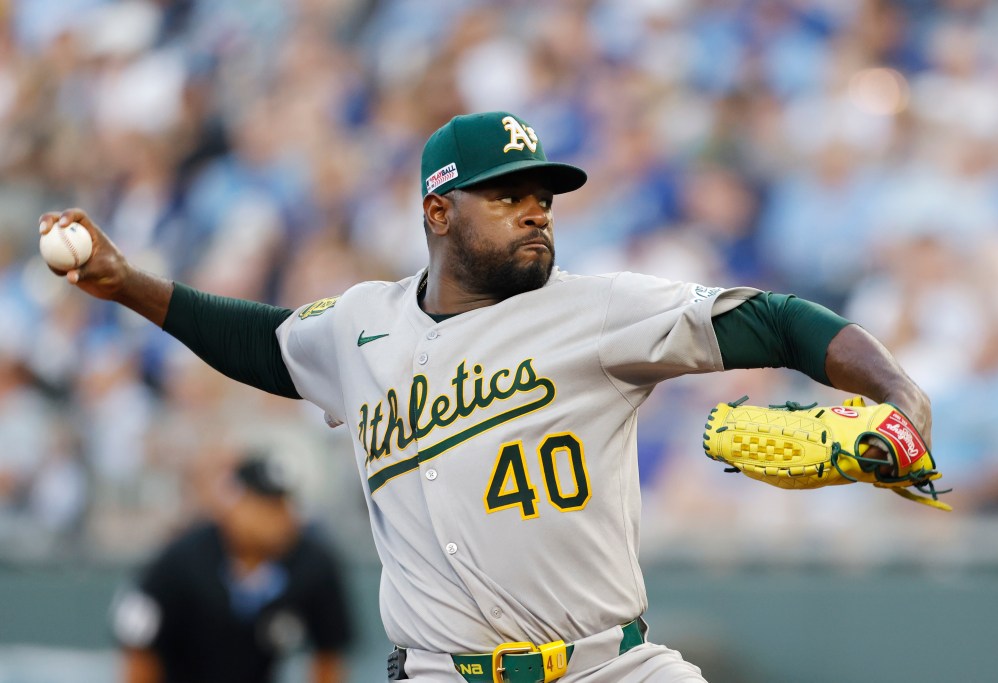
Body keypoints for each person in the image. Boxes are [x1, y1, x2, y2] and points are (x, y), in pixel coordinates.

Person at [48, 111, 931, 682]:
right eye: (508, 194)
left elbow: (774, 319)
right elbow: (264, 342)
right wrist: (127, 284)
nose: (537, 209)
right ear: (439, 213)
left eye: (543, 195)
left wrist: (900, 393)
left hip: (606, 669)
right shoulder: (360, 325)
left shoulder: (599, 309)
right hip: (439, 669)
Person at [109, 454, 355, 683]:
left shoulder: (311, 564)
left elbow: (330, 653)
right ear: (234, 503)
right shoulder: (181, 562)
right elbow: (139, 647)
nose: (279, 518)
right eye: (265, 505)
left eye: (283, 505)